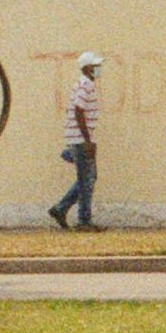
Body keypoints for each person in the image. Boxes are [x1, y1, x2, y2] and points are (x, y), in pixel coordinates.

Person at [49, 52, 104, 231]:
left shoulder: (85, 84)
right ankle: (83, 221)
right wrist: (87, 140)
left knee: (88, 177)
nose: (98, 69)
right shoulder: (85, 85)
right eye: (96, 66)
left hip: (78, 137)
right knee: (86, 179)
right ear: (87, 68)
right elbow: (78, 111)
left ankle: (61, 208)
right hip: (80, 139)